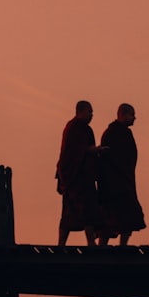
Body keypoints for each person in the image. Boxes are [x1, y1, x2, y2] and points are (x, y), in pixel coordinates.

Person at [55, 100, 103, 246]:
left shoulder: (86, 129)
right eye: (89, 111)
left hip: (85, 177)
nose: (92, 115)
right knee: (69, 213)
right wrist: (92, 150)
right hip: (74, 177)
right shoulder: (73, 128)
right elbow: (72, 152)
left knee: (89, 212)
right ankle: (61, 244)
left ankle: (90, 243)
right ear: (80, 112)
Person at [97, 103, 146, 246]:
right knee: (110, 217)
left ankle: (123, 245)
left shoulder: (124, 133)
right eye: (132, 115)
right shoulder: (111, 133)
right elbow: (108, 157)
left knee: (129, 215)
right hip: (113, 183)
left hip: (125, 181)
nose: (134, 118)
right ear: (123, 114)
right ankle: (102, 247)